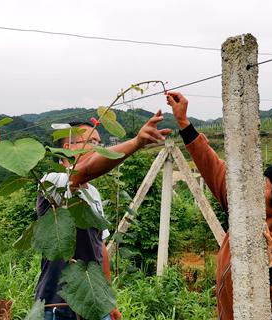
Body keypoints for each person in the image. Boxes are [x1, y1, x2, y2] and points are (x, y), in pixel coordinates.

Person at [165, 92, 272, 320]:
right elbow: (215, 169)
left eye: (263, 185)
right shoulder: (246, 212)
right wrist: (183, 122)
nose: (252, 187)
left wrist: (269, 270)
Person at [36, 112, 172, 320]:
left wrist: (109, 299)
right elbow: (84, 171)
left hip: (95, 302)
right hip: (59, 304)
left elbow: (100, 248)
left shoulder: (93, 193)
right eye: (90, 141)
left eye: (99, 142)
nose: (98, 147)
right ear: (66, 149)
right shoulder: (53, 181)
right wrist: (137, 141)